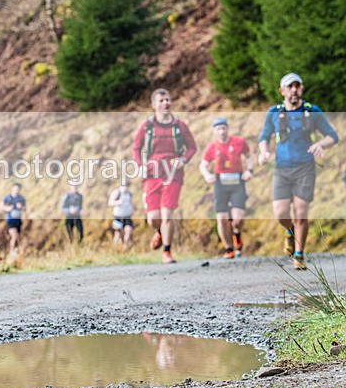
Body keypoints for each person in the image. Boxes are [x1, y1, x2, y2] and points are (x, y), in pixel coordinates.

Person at [257, 73, 339, 270]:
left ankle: (299, 255)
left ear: (301, 89)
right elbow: (264, 137)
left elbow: (332, 136)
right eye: (290, 86)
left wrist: (321, 144)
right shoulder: (274, 112)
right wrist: (264, 152)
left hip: (305, 168)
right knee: (280, 214)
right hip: (282, 168)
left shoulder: (312, 111)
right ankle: (290, 230)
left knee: (301, 213)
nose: (294, 90)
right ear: (282, 91)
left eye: (297, 86)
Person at [131, 89, 196, 264]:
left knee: (167, 214)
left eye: (167, 100)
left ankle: (167, 251)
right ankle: (160, 232)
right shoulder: (147, 126)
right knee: (153, 218)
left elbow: (192, 147)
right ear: (153, 105)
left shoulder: (179, 126)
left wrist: (183, 159)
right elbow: (135, 147)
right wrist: (140, 166)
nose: (165, 103)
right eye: (161, 101)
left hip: (173, 174)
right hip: (151, 174)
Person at [199, 118, 254, 259]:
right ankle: (229, 248)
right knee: (222, 219)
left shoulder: (239, 142)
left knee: (237, 219)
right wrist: (207, 175)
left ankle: (237, 234)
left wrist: (249, 170)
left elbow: (249, 156)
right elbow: (203, 165)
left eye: (223, 128)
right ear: (214, 131)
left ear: (228, 129)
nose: (221, 131)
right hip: (220, 183)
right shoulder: (212, 147)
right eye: (218, 129)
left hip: (237, 182)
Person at [108, 180, 135, 250]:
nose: (126, 188)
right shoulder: (117, 192)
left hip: (127, 216)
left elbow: (130, 203)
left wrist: (132, 209)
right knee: (117, 234)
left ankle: (125, 248)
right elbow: (110, 202)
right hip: (118, 217)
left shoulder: (129, 193)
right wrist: (118, 202)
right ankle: (114, 249)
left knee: (128, 231)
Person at [2, 183, 27, 259]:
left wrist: (21, 207)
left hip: (18, 220)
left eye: (18, 189)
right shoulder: (8, 198)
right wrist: (7, 208)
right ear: (12, 189)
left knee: (18, 237)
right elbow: (2, 206)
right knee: (14, 236)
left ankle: (16, 252)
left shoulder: (21, 198)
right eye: (15, 188)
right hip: (10, 220)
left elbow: (25, 209)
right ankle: (12, 252)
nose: (17, 190)